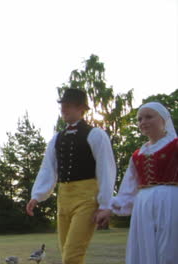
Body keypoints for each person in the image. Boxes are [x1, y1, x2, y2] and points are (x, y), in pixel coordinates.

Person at [25, 88, 116, 264]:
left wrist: (105, 204)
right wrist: (37, 196)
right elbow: (48, 169)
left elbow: (106, 169)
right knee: (65, 250)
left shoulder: (96, 134)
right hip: (64, 199)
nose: (63, 109)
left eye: (68, 106)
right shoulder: (57, 138)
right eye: (62, 106)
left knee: (72, 255)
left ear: (81, 108)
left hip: (87, 199)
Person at [96, 102, 177, 264]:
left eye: (149, 117)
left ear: (164, 119)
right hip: (143, 206)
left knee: (169, 249)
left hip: (172, 203)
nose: (143, 122)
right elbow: (129, 188)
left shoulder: (175, 146)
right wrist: (109, 208)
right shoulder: (138, 155)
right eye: (140, 119)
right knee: (145, 248)